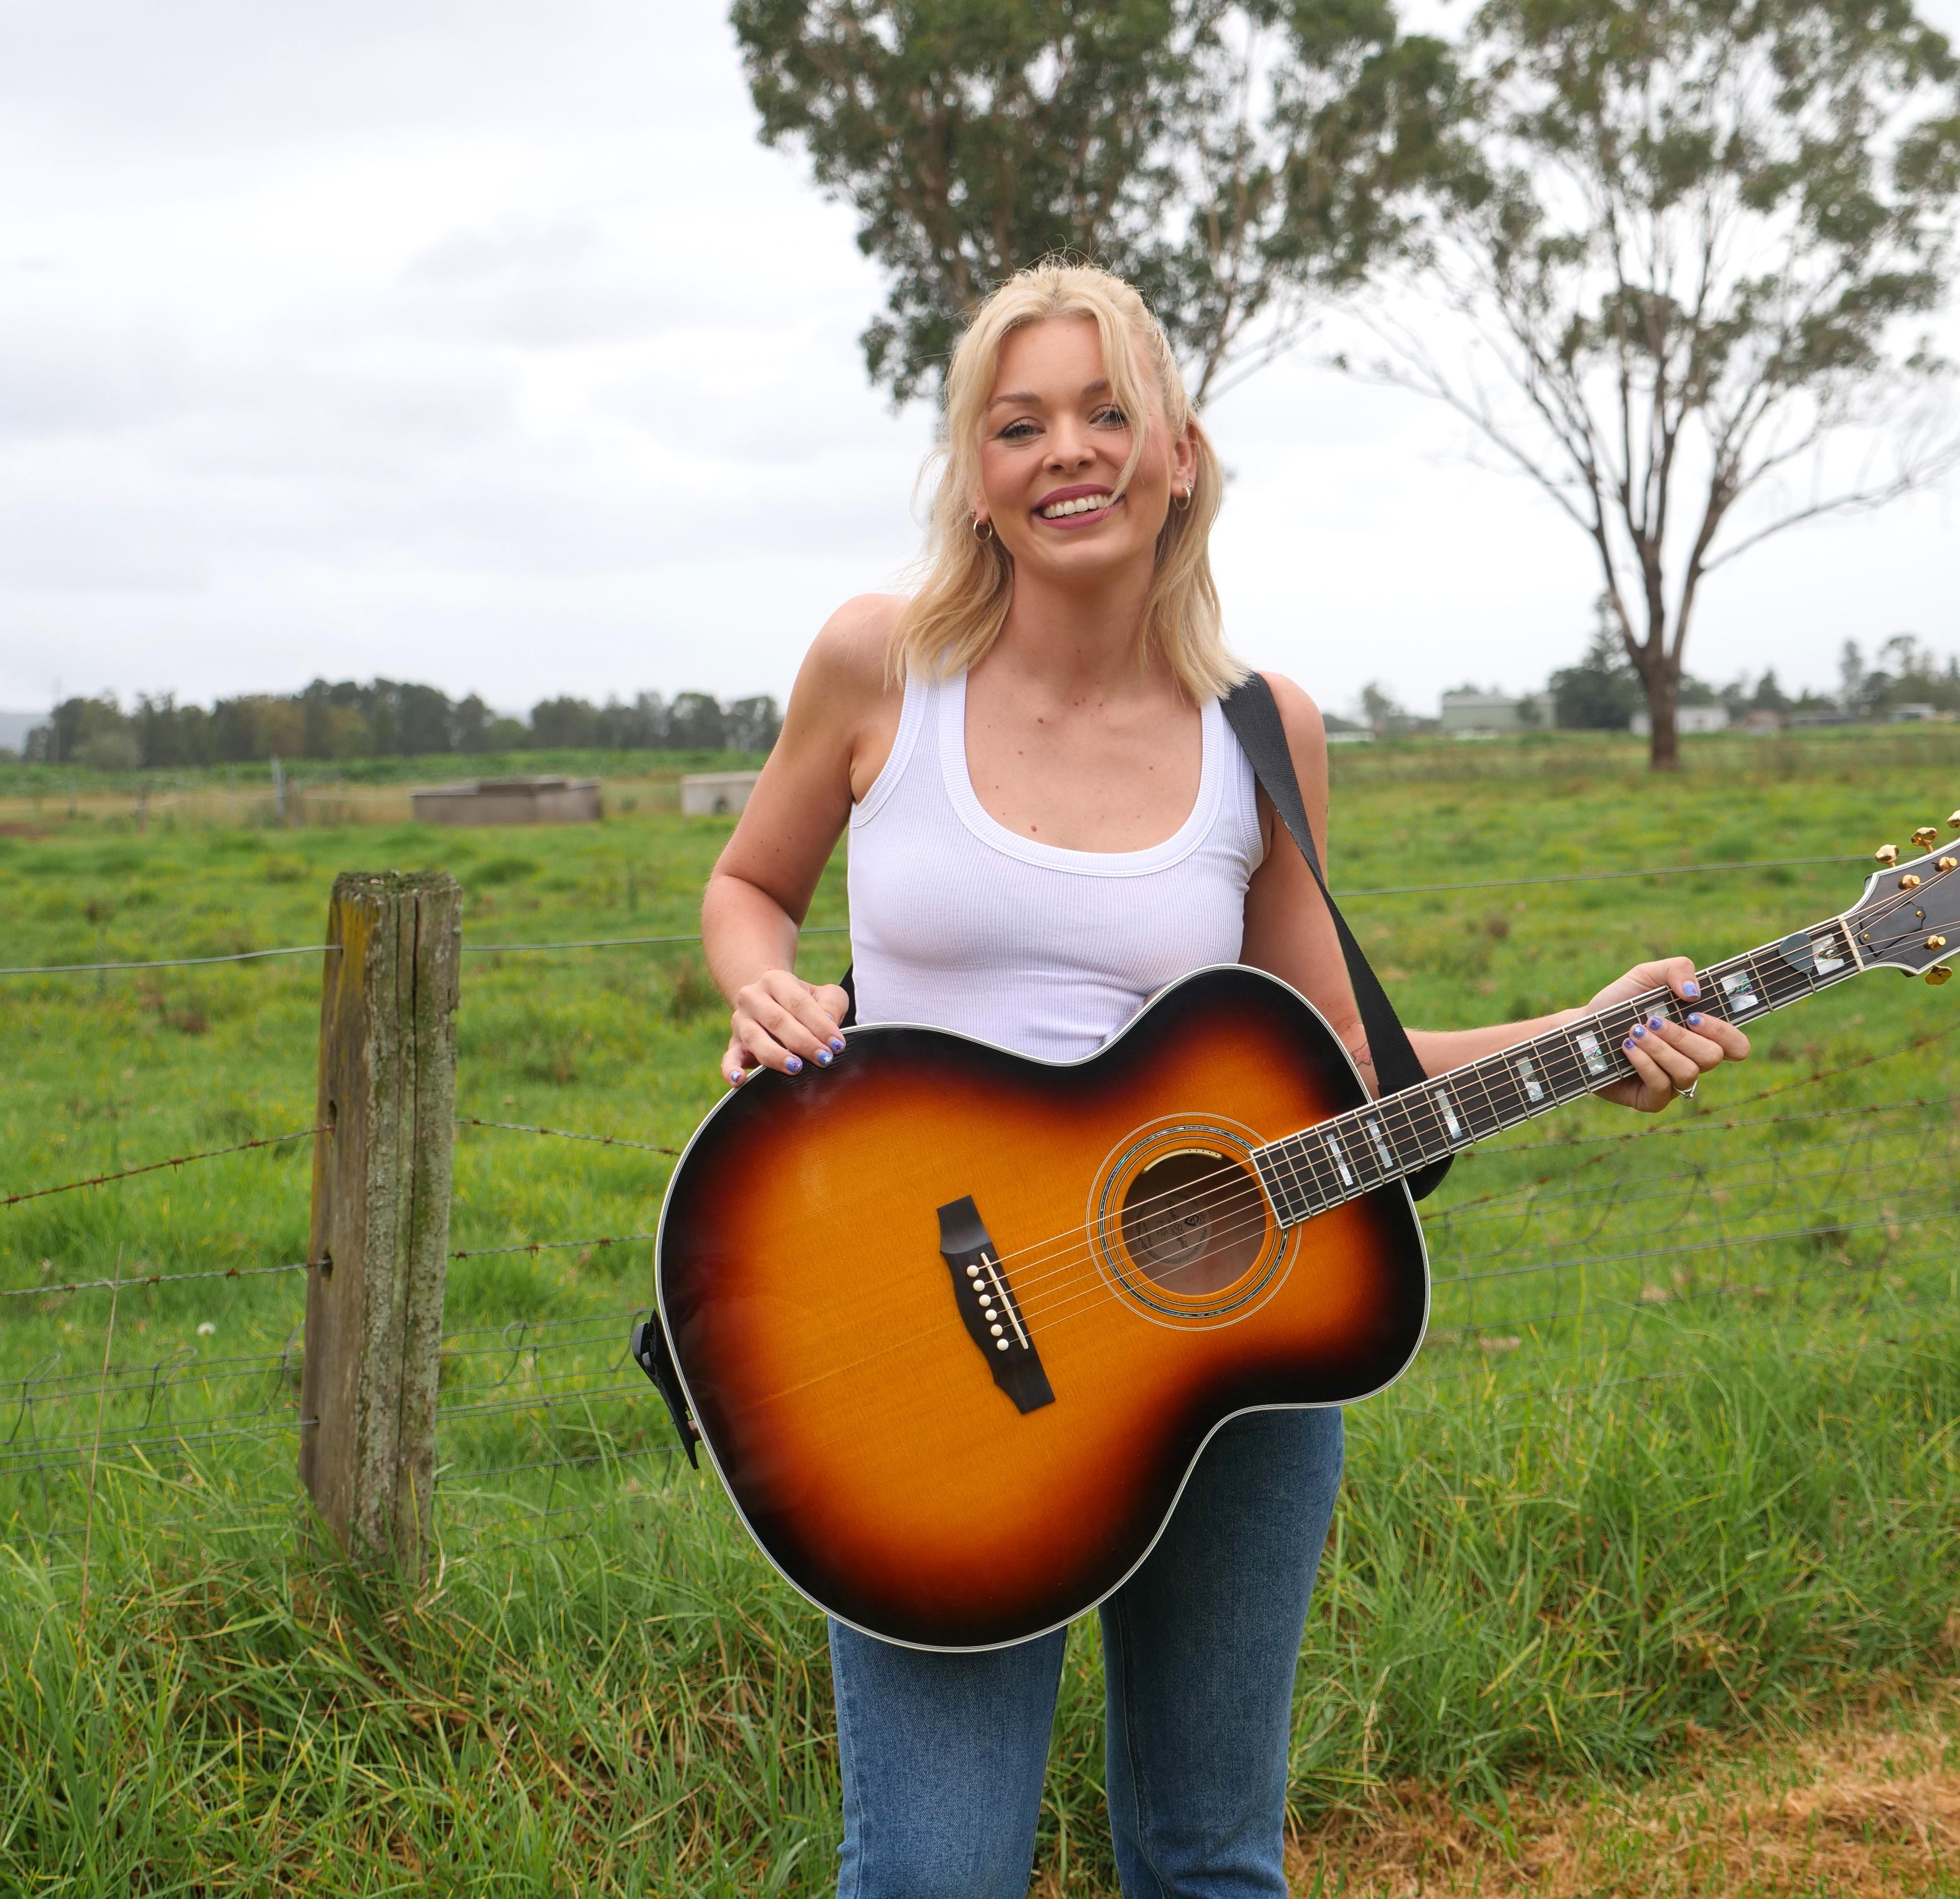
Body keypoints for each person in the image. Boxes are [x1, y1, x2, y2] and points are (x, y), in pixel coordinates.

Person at [700, 262, 1752, 1899]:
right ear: (976, 471)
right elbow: (748, 885)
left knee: (1211, 1867)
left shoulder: (1265, 728)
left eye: (1109, 412)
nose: (1071, 452)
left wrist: (1584, 1036)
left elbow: (1331, 1066)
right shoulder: (874, 666)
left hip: (1222, 1367)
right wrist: (761, 979)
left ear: (1180, 451)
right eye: (1022, 421)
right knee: (935, 1879)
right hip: (925, 1355)